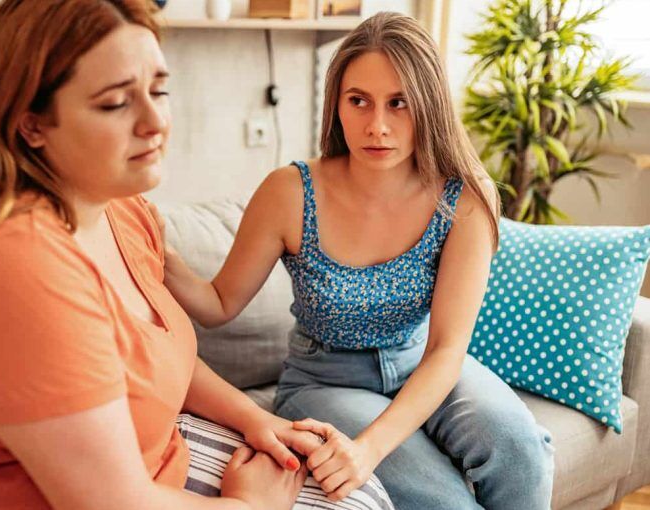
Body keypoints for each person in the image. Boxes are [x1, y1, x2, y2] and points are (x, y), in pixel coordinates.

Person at [0, 1, 393, 509]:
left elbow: (163, 360)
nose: (154, 122)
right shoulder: (9, 264)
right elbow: (110, 503)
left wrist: (256, 418)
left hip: (157, 468)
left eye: (159, 91)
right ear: (32, 124)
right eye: (116, 102)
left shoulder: (121, 208)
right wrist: (250, 505)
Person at [159, 11, 554, 510]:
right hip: (324, 381)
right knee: (444, 501)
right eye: (359, 101)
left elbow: (447, 351)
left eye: (399, 103)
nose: (377, 126)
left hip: (423, 362)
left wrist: (367, 450)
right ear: (337, 105)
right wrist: (160, 253)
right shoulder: (290, 192)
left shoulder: (465, 199)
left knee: (521, 450)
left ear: (428, 106)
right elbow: (218, 303)